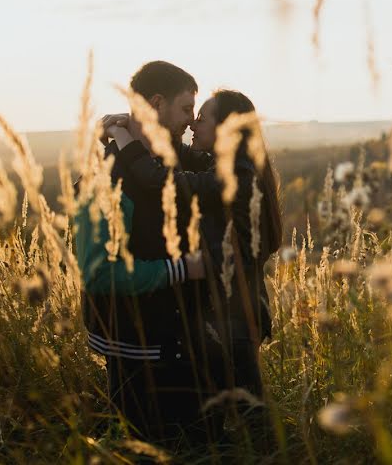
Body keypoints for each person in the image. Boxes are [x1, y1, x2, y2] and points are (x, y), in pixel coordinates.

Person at [102, 88, 282, 449]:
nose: (193, 123)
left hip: (235, 318)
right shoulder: (226, 164)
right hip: (223, 314)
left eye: (202, 118)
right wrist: (143, 131)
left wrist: (122, 137)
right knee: (218, 417)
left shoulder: (235, 175)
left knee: (251, 419)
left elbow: (162, 180)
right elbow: (178, 157)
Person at [75, 60, 223, 448]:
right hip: (137, 348)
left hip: (187, 341)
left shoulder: (172, 161)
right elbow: (100, 274)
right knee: (144, 447)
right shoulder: (106, 179)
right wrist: (179, 270)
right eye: (186, 108)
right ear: (156, 102)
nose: (191, 121)